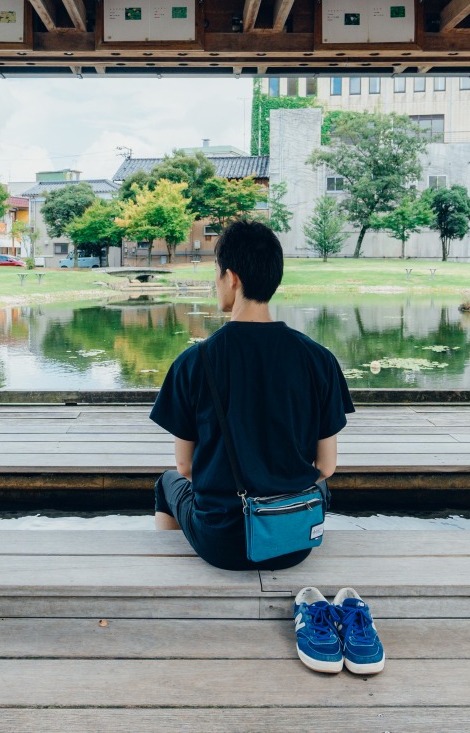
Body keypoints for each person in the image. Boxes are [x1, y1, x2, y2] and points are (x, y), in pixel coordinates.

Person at [149, 219, 354, 572]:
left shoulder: (193, 363)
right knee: (318, 489)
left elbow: (185, 467)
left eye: (216, 274)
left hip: (222, 544)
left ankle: (169, 571)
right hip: (293, 541)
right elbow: (327, 467)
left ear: (232, 278)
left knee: (165, 483)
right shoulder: (319, 359)